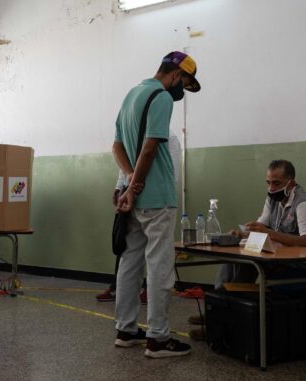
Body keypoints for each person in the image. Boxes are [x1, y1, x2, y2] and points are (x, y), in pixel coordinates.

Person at [112, 51, 200, 358]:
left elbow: (116, 145)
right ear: (175, 74)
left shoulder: (131, 94)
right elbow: (149, 149)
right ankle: (159, 339)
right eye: (185, 83)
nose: (182, 91)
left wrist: (127, 182)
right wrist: (135, 187)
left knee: (130, 263)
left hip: (133, 199)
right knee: (160, 267)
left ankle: (125, 329)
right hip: (156, 197)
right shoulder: (161, 97)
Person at [189, 159, 306, 340]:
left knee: (249, 263)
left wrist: (269, 233)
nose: (271, 188)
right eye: (269, 183)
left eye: (276, 183)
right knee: (236, 259)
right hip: (277, 257)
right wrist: (242, 233)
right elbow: (262, 225)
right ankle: (217, 312)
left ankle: (219, 319)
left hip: (305, 265)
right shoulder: (272, 199)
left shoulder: (304, 204)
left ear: (291, 183)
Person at [96, 134, 181, 304]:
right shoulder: (135, 135)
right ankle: (119, 292)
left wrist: (134, 185)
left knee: (152, 254)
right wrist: (119, 187)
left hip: (152, 199)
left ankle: (144, 297)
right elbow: (125, 164)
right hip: (133, 198)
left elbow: (172, 172)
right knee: (126, 249)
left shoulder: (169, 138)